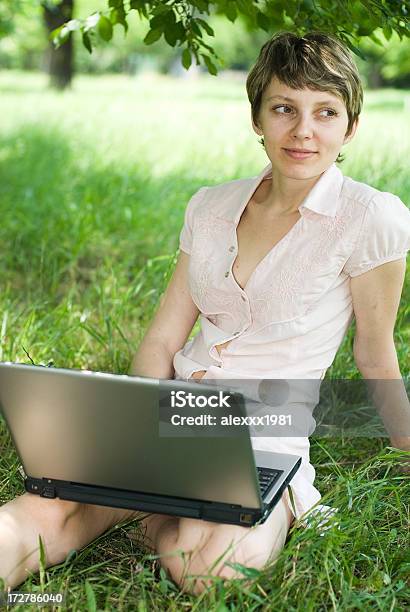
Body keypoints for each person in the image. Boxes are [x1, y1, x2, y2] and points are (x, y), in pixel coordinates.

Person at [1, 31, 409, 596]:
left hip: (264, 437)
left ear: (351, 126)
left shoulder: (372, 218)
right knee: (19, 526)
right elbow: (164, 337)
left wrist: (406, 446)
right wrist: (132, 427)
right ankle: (143, 506)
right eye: (284, 108)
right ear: (257, 117)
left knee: (212, 571)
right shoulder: (211, 205)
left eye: (326, 112)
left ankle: (165, 514)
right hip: (173, 414)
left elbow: (374, 351)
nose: (303, 131)